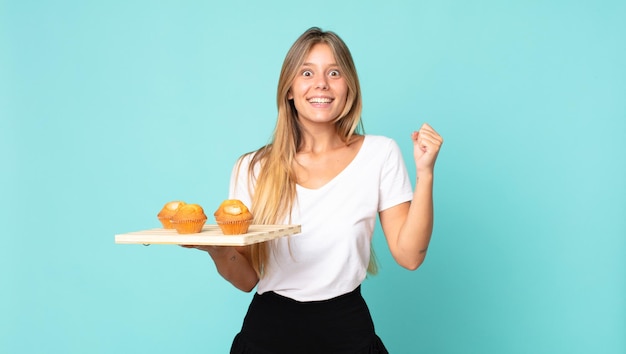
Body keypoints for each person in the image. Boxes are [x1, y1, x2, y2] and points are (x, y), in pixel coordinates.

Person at [186, 27, 443, 353]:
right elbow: (247, 279)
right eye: (307, 72)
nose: (321, 83)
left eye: (334, 72)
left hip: (347, 329)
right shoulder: (253, 167)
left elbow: (409, 257)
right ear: (289, 89)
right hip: (268, 332)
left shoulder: (380, 154)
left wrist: (425, 173)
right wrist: (217, 249)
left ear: (348, 87)